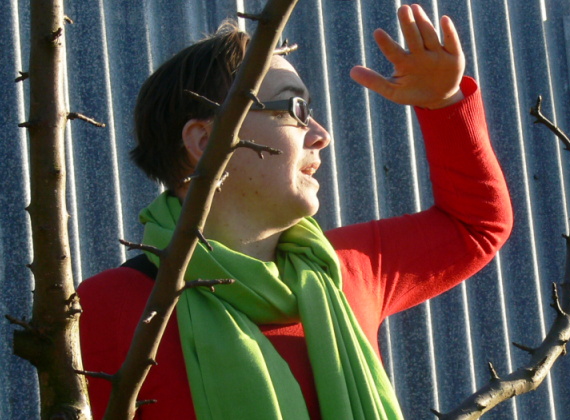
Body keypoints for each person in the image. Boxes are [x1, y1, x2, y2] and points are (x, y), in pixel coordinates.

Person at [78, 4, 513, 419]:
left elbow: (475, 224)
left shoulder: (345, 269)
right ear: (206, 141)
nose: (321, 135)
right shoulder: (108, 307)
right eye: (296, 109)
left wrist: (444, 103)